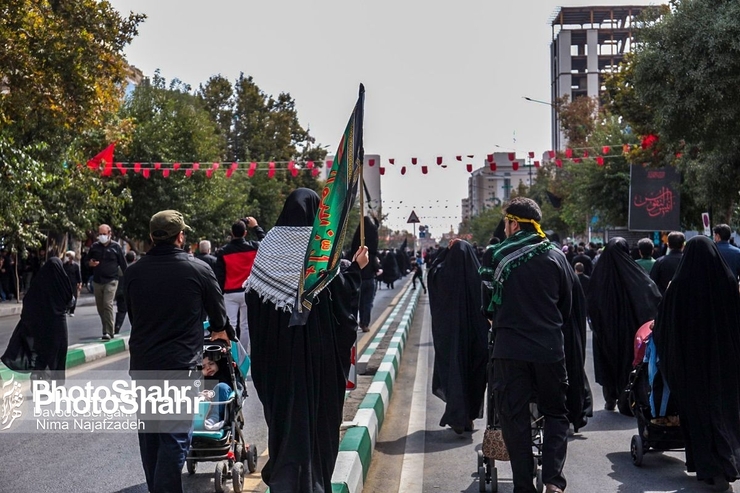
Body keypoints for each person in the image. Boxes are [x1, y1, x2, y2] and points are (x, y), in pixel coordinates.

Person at [245, 188, 368, 493]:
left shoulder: (267, 249)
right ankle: (314, 483)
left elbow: (254, 307)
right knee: (318, 425)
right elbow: (342, 303)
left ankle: (285, 478)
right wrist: (356, 271)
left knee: (285, 422)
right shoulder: (321, 253)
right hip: (318, 363)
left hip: (277, 364)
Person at [479, 197, 588, 493]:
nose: (505, 228)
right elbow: (566, 306)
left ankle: (523, 486)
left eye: (506, 222)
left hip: (509, 350)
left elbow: (487, 308)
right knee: (555, 413)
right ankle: (553, 481)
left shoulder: (495, 256)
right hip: (549, 348)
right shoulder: (556, 255)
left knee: (514, 420)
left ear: (514, 223)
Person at [125, 209, 234, 493]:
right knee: (174, 438)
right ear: (181, 236)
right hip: (180, 366)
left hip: (144, 365)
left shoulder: (133, 272)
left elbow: (134, 317)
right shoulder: (198, 269)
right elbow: (220, 319)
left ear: (151, 237)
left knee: (151, 438)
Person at [653, 235, 740, 492]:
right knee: (725, 411)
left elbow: (664, 327)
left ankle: (709, 467)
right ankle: (730, 459)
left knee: (699, 415)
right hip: (725, 364)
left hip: (690, 366)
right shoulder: (726, 281)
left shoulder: (679, 285)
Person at [587, 237, 661, 412]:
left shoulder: (598, 276)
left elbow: (591, 304)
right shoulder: (635, 274)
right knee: (628, 363)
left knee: (609, 363)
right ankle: (627, 398)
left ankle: (610, 398)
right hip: (629, 331)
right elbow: (651, 297)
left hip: (606, 333)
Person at [427, 239, 488, 434]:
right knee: (475, 377)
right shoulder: (479, 277)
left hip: (451, 339)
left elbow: (432, 272)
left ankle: (457, 415)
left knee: (454, 374)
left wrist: (445, 251)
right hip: (476, 341)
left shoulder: (443, 276)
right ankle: (468, 417)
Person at [2, 255, 73, 382]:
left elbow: (27, 305)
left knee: (42, 353)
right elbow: (70, 301)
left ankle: (38, 380)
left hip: (39, 326)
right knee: (58, 353)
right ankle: (57, 384)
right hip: (58, 324)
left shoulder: (37, 285)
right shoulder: (62, 284)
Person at [214, 217, 265, 345]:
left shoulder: (223, 252)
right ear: (245, 233)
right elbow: (266, 243)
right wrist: (256, 227)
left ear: (232, 233)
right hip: (247, 290)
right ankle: (244, 356)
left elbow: (220, 276)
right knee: (245, 325)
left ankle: (233, 354)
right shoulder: (254, 247)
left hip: (230, 292)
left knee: (231, 324)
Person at [88, 224, 128, 340]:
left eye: (104, 234)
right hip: (97, 281)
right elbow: (86, 261)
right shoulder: (94, 247)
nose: (102, 236)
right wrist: (90, 264)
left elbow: (123, 265)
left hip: (111, 280)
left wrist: (127, 281)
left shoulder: (116, 247)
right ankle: (106, 328)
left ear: (109, 234)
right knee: (101, 308)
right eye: (100, 234)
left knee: (107, 304)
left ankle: (109, 332)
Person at [351, 215, 381, 332]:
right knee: (367, 303)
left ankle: (353, 323)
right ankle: (364, 324)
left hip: (357, 280)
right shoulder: (372, 255)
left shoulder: (356, 253)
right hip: (369, 279)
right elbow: (375, 228)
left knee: (355, 303)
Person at [113, 251, 137, 334]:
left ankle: (117, 326)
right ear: (134, 259)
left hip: (120, 292)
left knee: (121, 311)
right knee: (135, 312)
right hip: (132, 293)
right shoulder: (135, 268)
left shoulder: (120, 268)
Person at [63, 250, 82, 316]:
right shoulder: (64, 265)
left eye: (69, 256)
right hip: (65, 283)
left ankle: (72, 311)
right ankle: (66, 309)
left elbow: (78, 275)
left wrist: (79, 284)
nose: (68, 258)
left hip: (73, 283)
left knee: (74, 296)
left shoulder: (75, 266)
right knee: (65, 296)